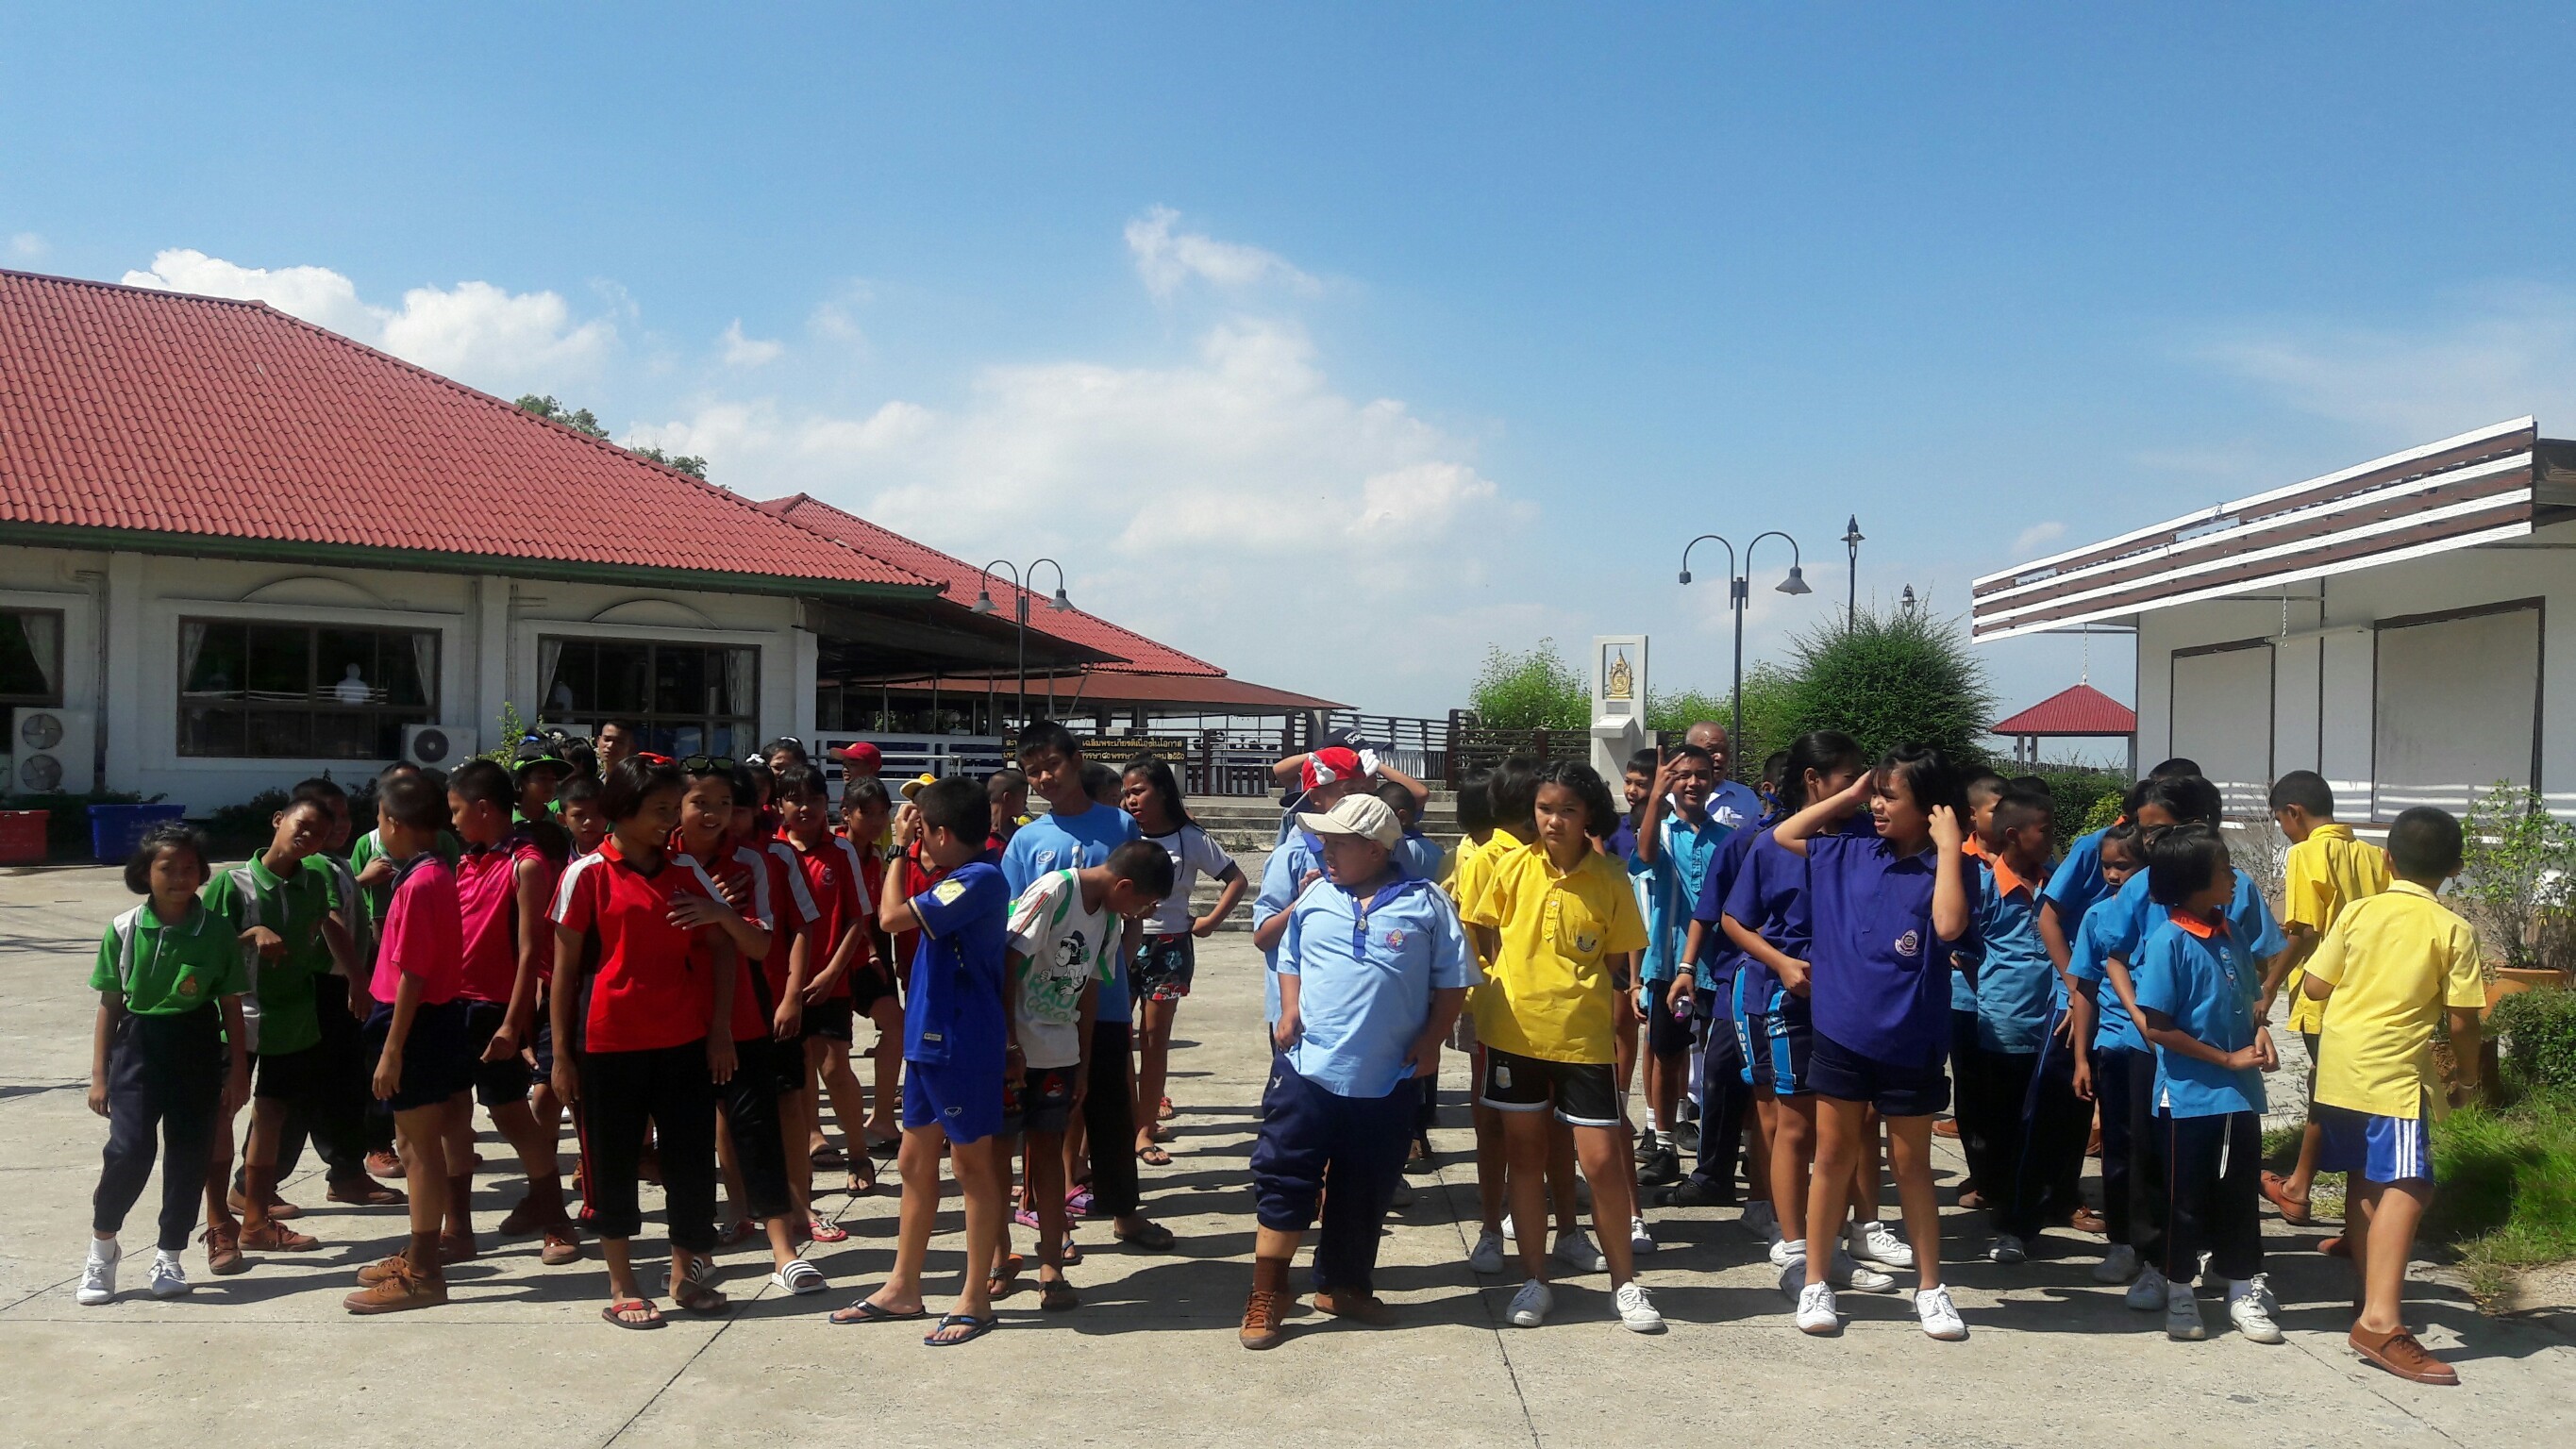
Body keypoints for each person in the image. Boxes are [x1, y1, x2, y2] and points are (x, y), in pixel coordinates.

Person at [1242, 794, 1476, 1348]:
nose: (1325, 851)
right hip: (1307, 1070)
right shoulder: (1315, 895)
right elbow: (1290, 957)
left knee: (1365, 1186)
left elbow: (1453, 980)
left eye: (1338, 842)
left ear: (1375, 849)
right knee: (1285, 1177)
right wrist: (1290, 1008)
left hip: (1387, 1077)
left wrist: (1431, 1041)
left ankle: (1342, 1286)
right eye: (1323, 840)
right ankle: (1268, 1292)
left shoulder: (1427, 903)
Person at [1772, 744, 1975, 1341]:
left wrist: (1948, 848)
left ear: (1930, 807)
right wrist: (1853, 793)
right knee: (1833, 1157)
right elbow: (1785, 833)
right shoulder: (1850, 850)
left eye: (1891, 796)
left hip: (1912, 1039)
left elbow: (1948, 926)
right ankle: (1815, 1280)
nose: (1878, 806)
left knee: (1911, 1165)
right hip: (1841, 1033)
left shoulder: (1950, 867)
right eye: (1876, 794)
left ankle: (1931, 1288)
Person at [1463, 759, 1663, 1333]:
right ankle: (1534, 1279)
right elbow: (1480, 928)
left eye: (1568, 810)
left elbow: (1619, 956)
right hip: (1513, 1035)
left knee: (1601, 1164)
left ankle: (1624, 1284)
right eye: (1545, 809)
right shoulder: (1509, 867)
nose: (1554, 821)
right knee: (1524, 1160)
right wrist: (1498, 979)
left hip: (1584, 1041)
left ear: (1589, 815)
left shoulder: (1611, 877)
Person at [547, 755, 738, 1328]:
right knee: (612, 1164)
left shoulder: (685, 869)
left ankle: (686, 1276)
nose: (669, 820)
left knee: (690, 1162)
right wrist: (561, 1056)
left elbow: (723, 948)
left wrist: (720, 1030)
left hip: (682, 1040)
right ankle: (622, 1284)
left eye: (672, 808)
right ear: (622, 809)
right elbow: (563, 972)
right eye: (659, 809)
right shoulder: (586, 874)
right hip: (608, 1044)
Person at [2090, 773, 2286, 1315]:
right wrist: (2142, 1020)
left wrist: (2259, 1024)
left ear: (2195, 827)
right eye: (2144, 832)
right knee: (2161, 1168)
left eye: (2160, 830)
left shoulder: (2233, 898)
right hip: (2165, 1055)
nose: (2148, 841)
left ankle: (2234, 1268)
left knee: (2230, 1172)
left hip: (2228, 1070)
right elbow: (2114, 957)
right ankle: (2163, 1270)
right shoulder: (2149, 898)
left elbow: (2253, 972)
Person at [2300, 806, 2484, 1385]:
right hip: (2391, 1074)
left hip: (2338, 1066)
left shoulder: (2357, 911)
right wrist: (2467, 1081)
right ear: (2455, 868)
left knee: (2366, 1179)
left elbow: (2315, 985)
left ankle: (2367, 1295)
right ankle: (2380, 1321)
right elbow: (2463, 1020)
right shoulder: (2453, 930)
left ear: (2386, 860)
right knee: (2411, 1183)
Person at [833, 774, 1012, 1345]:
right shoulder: (957, 877)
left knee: (971, 1167)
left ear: (940, 833)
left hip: (963, 1041)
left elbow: (889, 919)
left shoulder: (980, 878)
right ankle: (903, 1286)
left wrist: (894, 852)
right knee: (914, 1161)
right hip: (930, 1039)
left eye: (923, 832)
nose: (919, 842)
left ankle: (975, 1296)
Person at [1723, 735, 1905, 1291]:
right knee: (1795, 1125)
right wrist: (1782, 964)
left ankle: (1841, 1241)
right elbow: (1734, 920)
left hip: (1851, 1000)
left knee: (1848, 1125)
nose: (1864, 793)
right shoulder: (1771, 842)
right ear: (1814, 780)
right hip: (1788, 997)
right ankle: (1797, 1251)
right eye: (1851, 780)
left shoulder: (1869, 839)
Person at [1003, 720, 1172, 1252]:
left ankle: (1125, 1212)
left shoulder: (1119, 825)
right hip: (1043, 1008)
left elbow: (1134, 907)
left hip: (1105, 995)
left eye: (1052, 764)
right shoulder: (1027, 840)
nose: (1045, 778)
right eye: (1033, 771)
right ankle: (1042, 1214)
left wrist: (1120, 962)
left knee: (1111, 1105)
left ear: (1076, 761)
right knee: (1046, 1113)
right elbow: (1012, 922)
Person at [77, 824, 251, 1306]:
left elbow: (231, 1005)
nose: (179, 877)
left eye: (189, 868)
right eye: (167, 868)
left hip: (196, 1045)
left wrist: (238, 1071)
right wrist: (99, 1075)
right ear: (144, 873)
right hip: (138, 1047)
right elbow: (110, 1004)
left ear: (202, 873)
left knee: (189, 1154)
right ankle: (102, 1249)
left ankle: (169, 1255)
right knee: (129, 1150)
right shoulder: (124, 928)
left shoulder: (216, 930)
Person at [998, 837, 1173, 1312]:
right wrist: (1008, 1043)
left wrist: (1083, 1062)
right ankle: (997, 1255)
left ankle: (1050, 1264)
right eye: (1144, 903)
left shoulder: (1112, 917)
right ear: (1124, 885)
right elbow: (1007, 963)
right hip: (1013, 1051)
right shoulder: (1054, 892)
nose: (1142, 913)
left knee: (1048, 1154)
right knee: (997, 1157)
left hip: (1058, 1051)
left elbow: (1092, 988)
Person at [2130, 823, 2284, 1345]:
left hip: (2238, 1094)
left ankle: (2240, 1289)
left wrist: (2260, 1033)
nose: (2234, 877)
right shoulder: (2168, 941)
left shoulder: (2232, 933)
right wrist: (2223, 1057)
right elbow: (2157, 1025)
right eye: (2224, 869)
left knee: (2239, 1194)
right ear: (2194, 881)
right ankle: (2179, 1290)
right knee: (2185, 1198)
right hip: (2189, 1096)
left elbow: (2248, 1001)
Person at [678, 759, 827, 1297]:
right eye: (702, 803)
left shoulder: (757, 860)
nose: (717, 815)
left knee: (760, 1125)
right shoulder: (660, 859)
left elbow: (764, 941)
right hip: (675, 1019)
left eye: (727, 804)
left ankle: (784, 1248)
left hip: (744, 1014)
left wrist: (720, 911)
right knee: (689, 1136)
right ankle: (695, 1252)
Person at [199, 795, 352, 1270]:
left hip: (293, 1018)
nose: (308, 837)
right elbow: (202, 946)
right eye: (302, 825)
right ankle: (219, 1225)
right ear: (278, 820)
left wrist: (358, 980)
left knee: (272, 1117)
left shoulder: (315, 881)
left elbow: (329, 927)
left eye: (319, 834)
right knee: (221, 1116)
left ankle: (257, 1222)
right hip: (234, 1018)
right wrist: (252, 934)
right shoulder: (232, 884)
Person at [343, 773, 476, 1313]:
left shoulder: (422, 882)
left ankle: (423, 1272)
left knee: (418, 1150)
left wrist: (393, 1049)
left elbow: (414, 975)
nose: (379, 828)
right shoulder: (430, 871)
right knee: (413, 1144)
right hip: (420, 1020)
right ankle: (422, 1255)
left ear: (395, 823)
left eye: (379, 819)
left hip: (415, 1024)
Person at [443, 760, 572, 1263]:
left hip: (495, 1010)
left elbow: (530, 951)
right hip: (453, 1005)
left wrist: (513, 1023)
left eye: (457, 810)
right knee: (454, 1116)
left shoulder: (527, 863)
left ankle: (556, 1220)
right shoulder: (465, 861)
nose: (452, 821)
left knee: (511, 1115)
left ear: (482, 808)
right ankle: (457, 1230)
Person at [2259, 771, 2391, 1236]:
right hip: (2369, 991)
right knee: (2344, 1094)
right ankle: (2311, 1191)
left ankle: (2305, 1191)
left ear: (2293, 812)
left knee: (2333, 1096)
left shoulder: (2306, 853)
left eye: (2280, 821)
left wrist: (2270, 983)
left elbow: (2305, 931)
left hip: (2324, 993)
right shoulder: (2372, 855)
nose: (2283, 830)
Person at [1964, 787, 2088, 1265]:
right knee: (2007, 1124)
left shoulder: (2056, 883)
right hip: (2006, 1024)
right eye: (2045, 830)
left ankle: (2054, 1199)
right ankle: (2008, 1217)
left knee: (2056, 1119)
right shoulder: (1983, 886)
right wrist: (1990, 995)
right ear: (2014, 835)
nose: (2052, 837)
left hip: (2056, 1022)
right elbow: (1965, 948)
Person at [1120, 754, 1245, 1163]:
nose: (1131, 800)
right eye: (1126, 793)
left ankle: (1143, 1130)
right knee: (1117, 1037)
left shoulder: (1190, 837)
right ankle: (1126, 1117)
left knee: (1154, 1040)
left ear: (1162, 792)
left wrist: (1209, 921)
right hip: (1120, 943)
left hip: (1169, 947)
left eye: (1139, 791)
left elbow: (1235, 879)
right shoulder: (1121, 832)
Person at [776, 763, 878, 1196]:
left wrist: (833, 970)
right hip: (784, 986)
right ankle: (801, 1171)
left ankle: (859, 1152)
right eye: (795, 800)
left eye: (814, 800)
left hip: (831, 982)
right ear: (778, 805)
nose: (805, 808)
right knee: (798, 1076)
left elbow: (859, 917)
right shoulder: (770, 851)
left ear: (827, 803)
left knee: (835, 1069)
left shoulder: (841, 852)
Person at [1631, 742, 1724, 1189]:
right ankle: (1664, 1145)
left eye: (1701, 774)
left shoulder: (1729, 838)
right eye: (1683, 775)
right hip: (1668, 964)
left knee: (1722, 1061)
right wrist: (1654, 798)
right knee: (1667, 1055)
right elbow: (1646, 856)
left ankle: (1725, 1152)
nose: (1692, 782)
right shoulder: (1661, 832)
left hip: (1719, 965)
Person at [2061, 824, 2149, 1285]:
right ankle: (2122, 1243)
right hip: (2113, 1045)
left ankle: (2162, 1246)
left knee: (2157, 1151)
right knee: (2118, 1148)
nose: (2114, 875)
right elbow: (2085, 991)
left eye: (2124, 866)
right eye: (2107, 867)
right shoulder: (2096, 916)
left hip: (2162, 1049)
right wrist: (2081, 1059)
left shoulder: (2165, 916)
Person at [1681, 722, 1763, 830]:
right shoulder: (1670, 798)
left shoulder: (1746, 797)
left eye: (1725, 751)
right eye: (1711, 751)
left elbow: (1759, 835)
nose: (1720, 757)